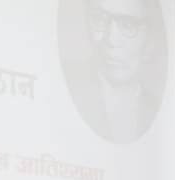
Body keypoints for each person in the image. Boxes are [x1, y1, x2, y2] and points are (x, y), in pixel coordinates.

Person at [61, 0, 165, 143]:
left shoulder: (161, 114)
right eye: (99, 19)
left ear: (151, 38)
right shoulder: (65, 85)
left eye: (128, 24)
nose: (111, 39)